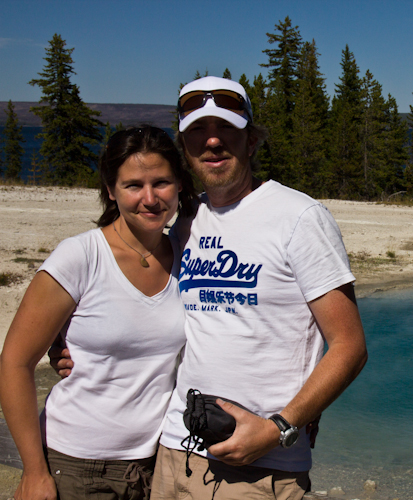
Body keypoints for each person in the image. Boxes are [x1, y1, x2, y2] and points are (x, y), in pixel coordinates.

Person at [147, 76, 368, 499]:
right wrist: (68, 340)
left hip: (259, 465)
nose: (212, 142)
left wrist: (279, 428)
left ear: (251, 141)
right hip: (175, 450)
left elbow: (350, 346)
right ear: (185, 148)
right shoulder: (186, 220)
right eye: (197, 132)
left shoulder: (299, 217)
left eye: (226, 129)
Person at [0, 125, 197, 500]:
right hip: (76, 465)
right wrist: (34, 470)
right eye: (134, 185)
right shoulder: (81, 257)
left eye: (162, 183)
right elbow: (14, 363)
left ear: (179, 186)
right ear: (110, 189)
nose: (151, 198)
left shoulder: (186, 257)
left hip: (155, 465)